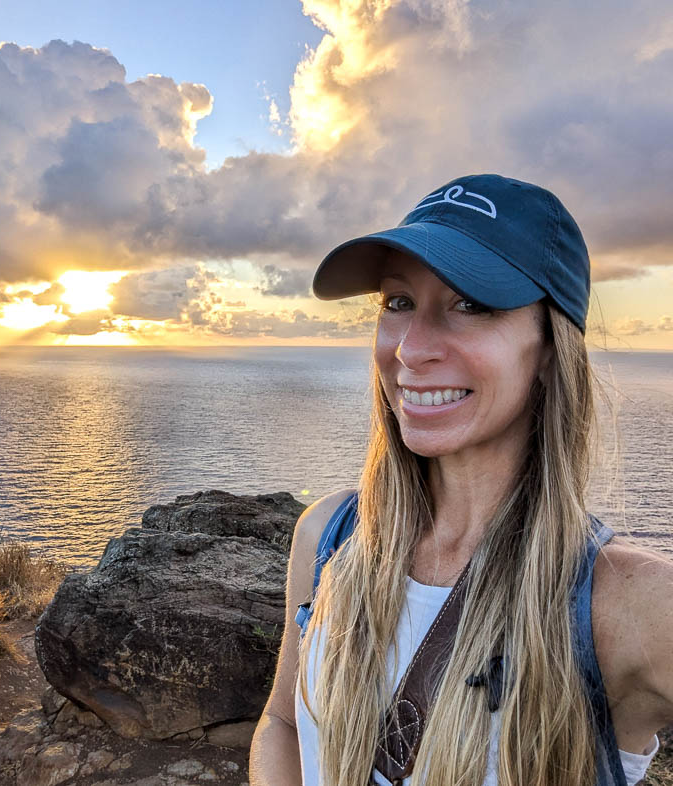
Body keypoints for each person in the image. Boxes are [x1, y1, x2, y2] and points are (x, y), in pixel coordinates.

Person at [248, 174, 673, 786]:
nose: (412, 348)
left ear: (551, 348)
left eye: (471, 304)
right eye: (398, 303)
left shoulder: (622, 604)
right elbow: (284, 723)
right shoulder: (330, 537)